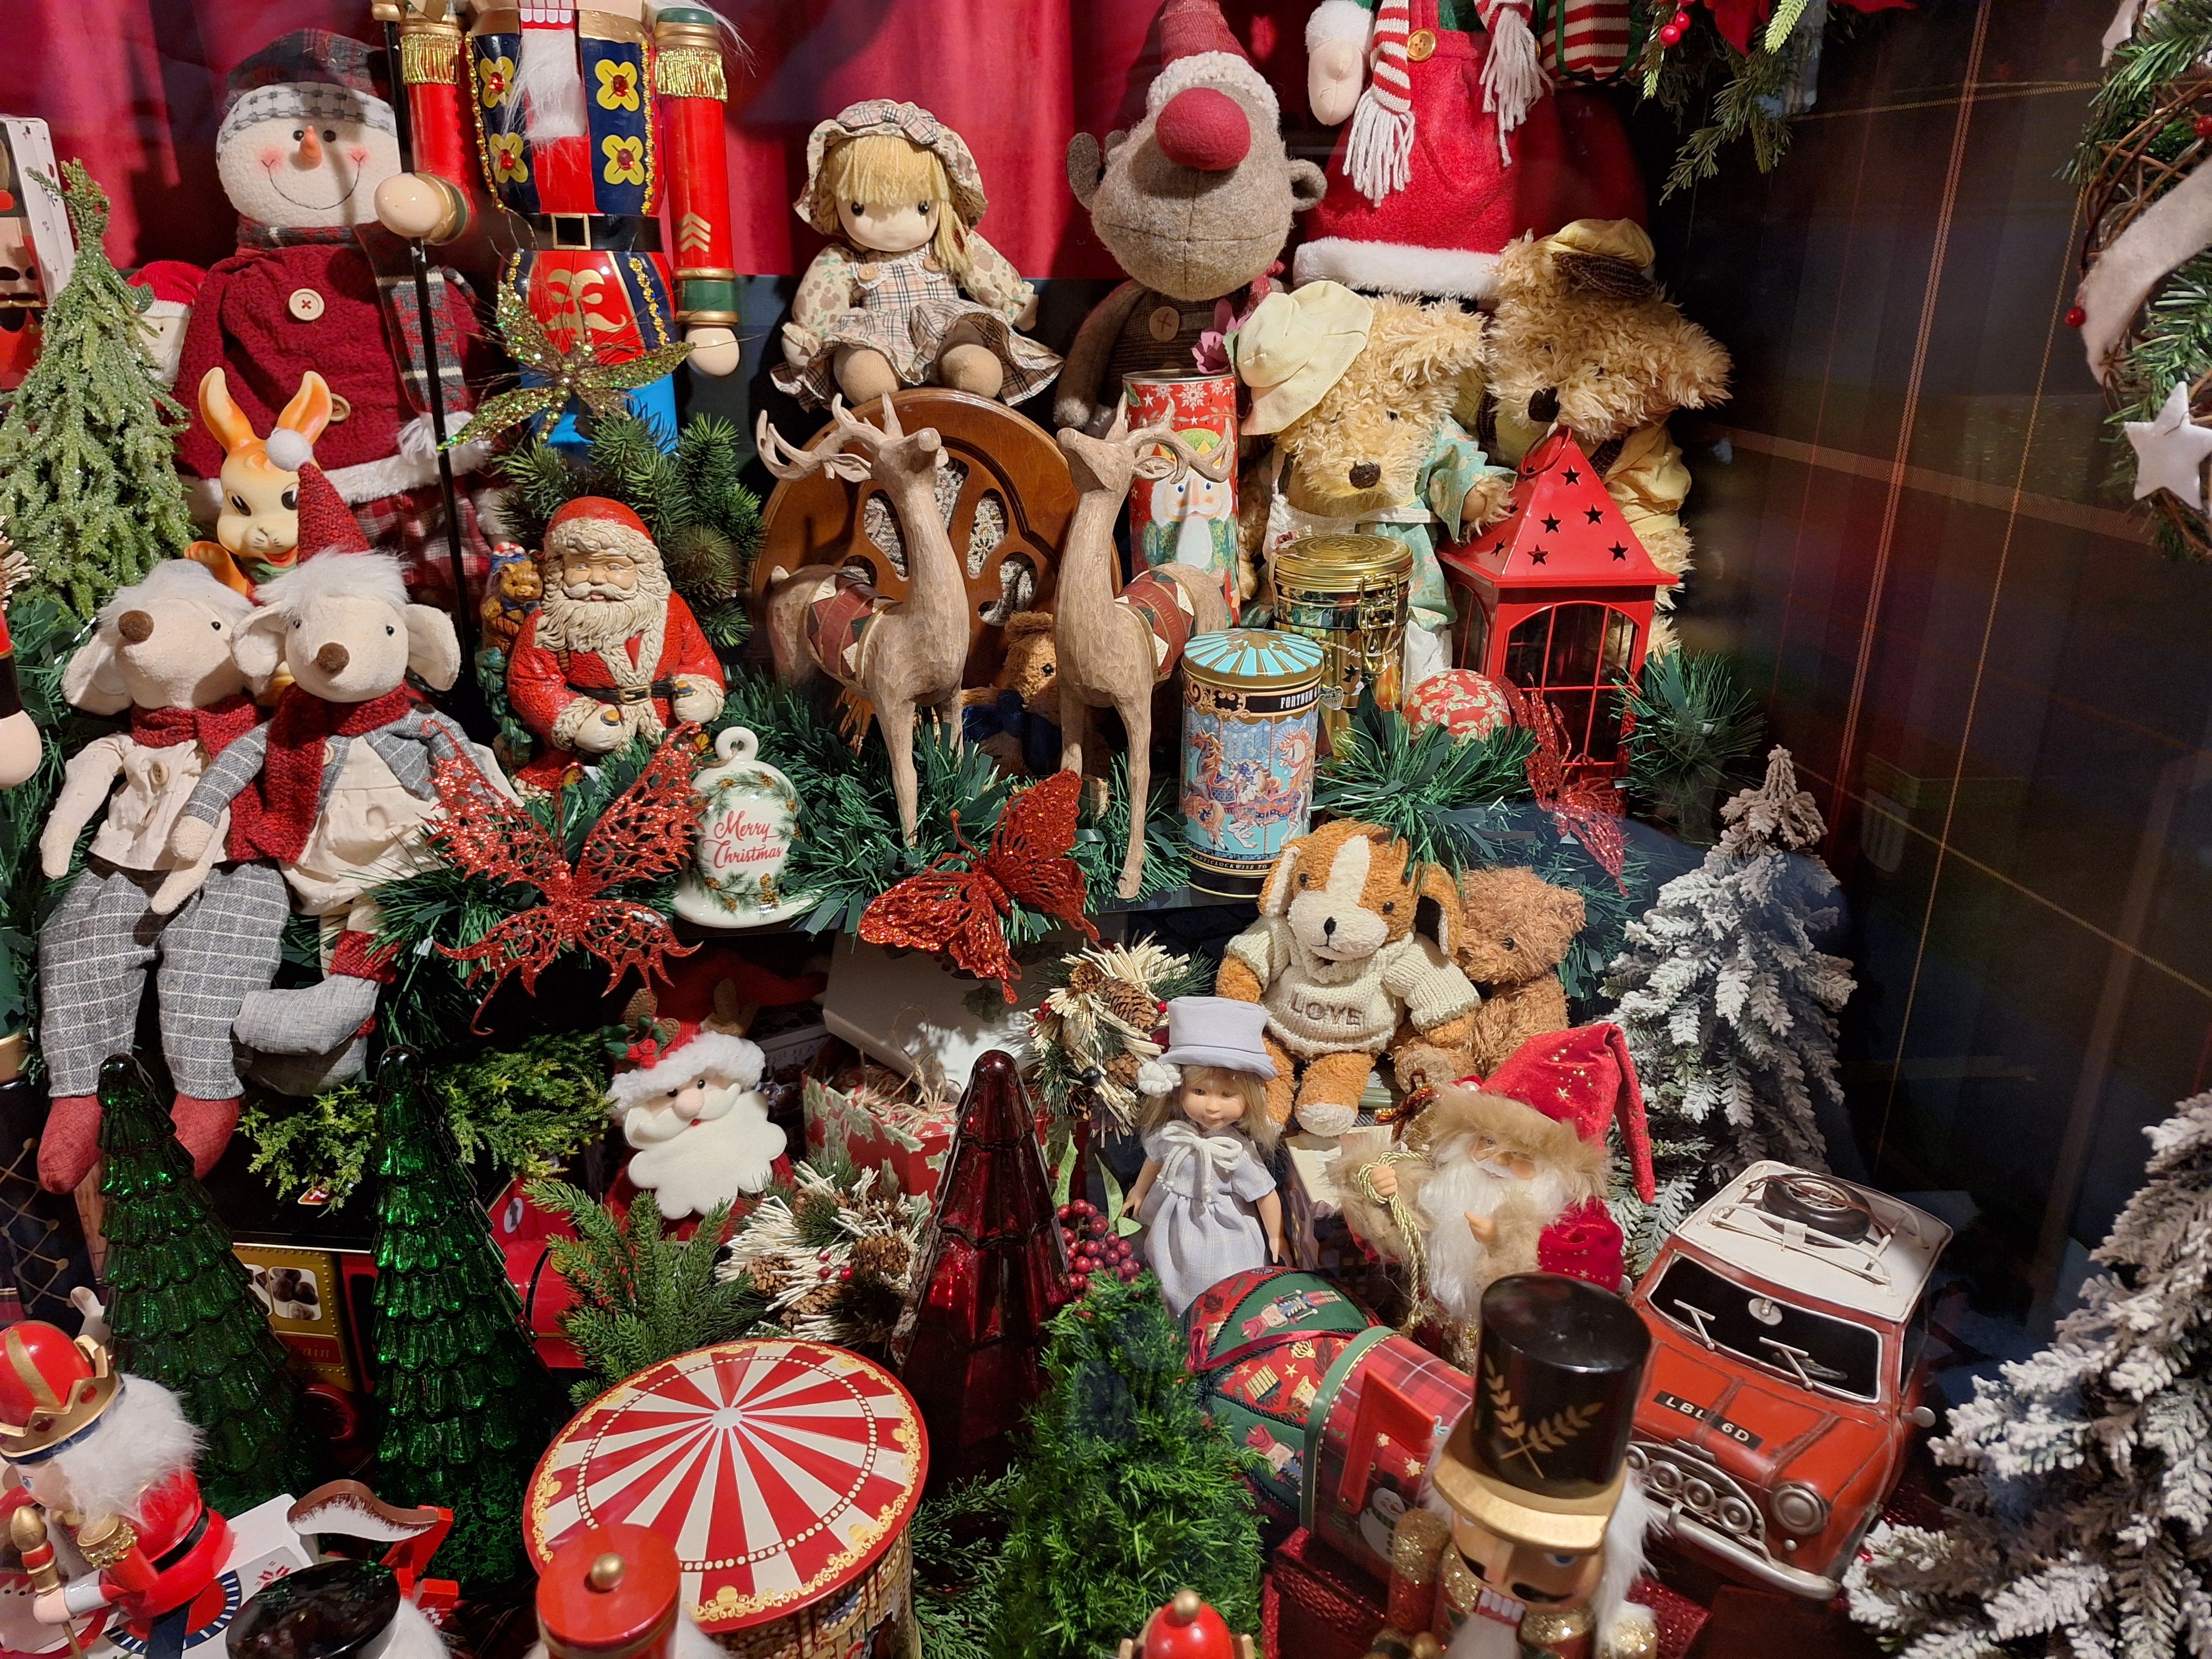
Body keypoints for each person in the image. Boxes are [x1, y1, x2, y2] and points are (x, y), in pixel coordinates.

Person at [1125, 996, 1285, 1314]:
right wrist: (1138, 1191)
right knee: (1165, 1272)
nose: (1212, 1107)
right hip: (1170, 1222)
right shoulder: (1174, 1134)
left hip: (1224, 1230)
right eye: (1199, 1092)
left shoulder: (1236, 1150)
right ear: (1179, 1089)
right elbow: (1155, 1160)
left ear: (1248, 1099)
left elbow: (1265, 1194)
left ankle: (1217, 1321)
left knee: (1224, 1280)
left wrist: (1276, 1236)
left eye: (1228, 1095)